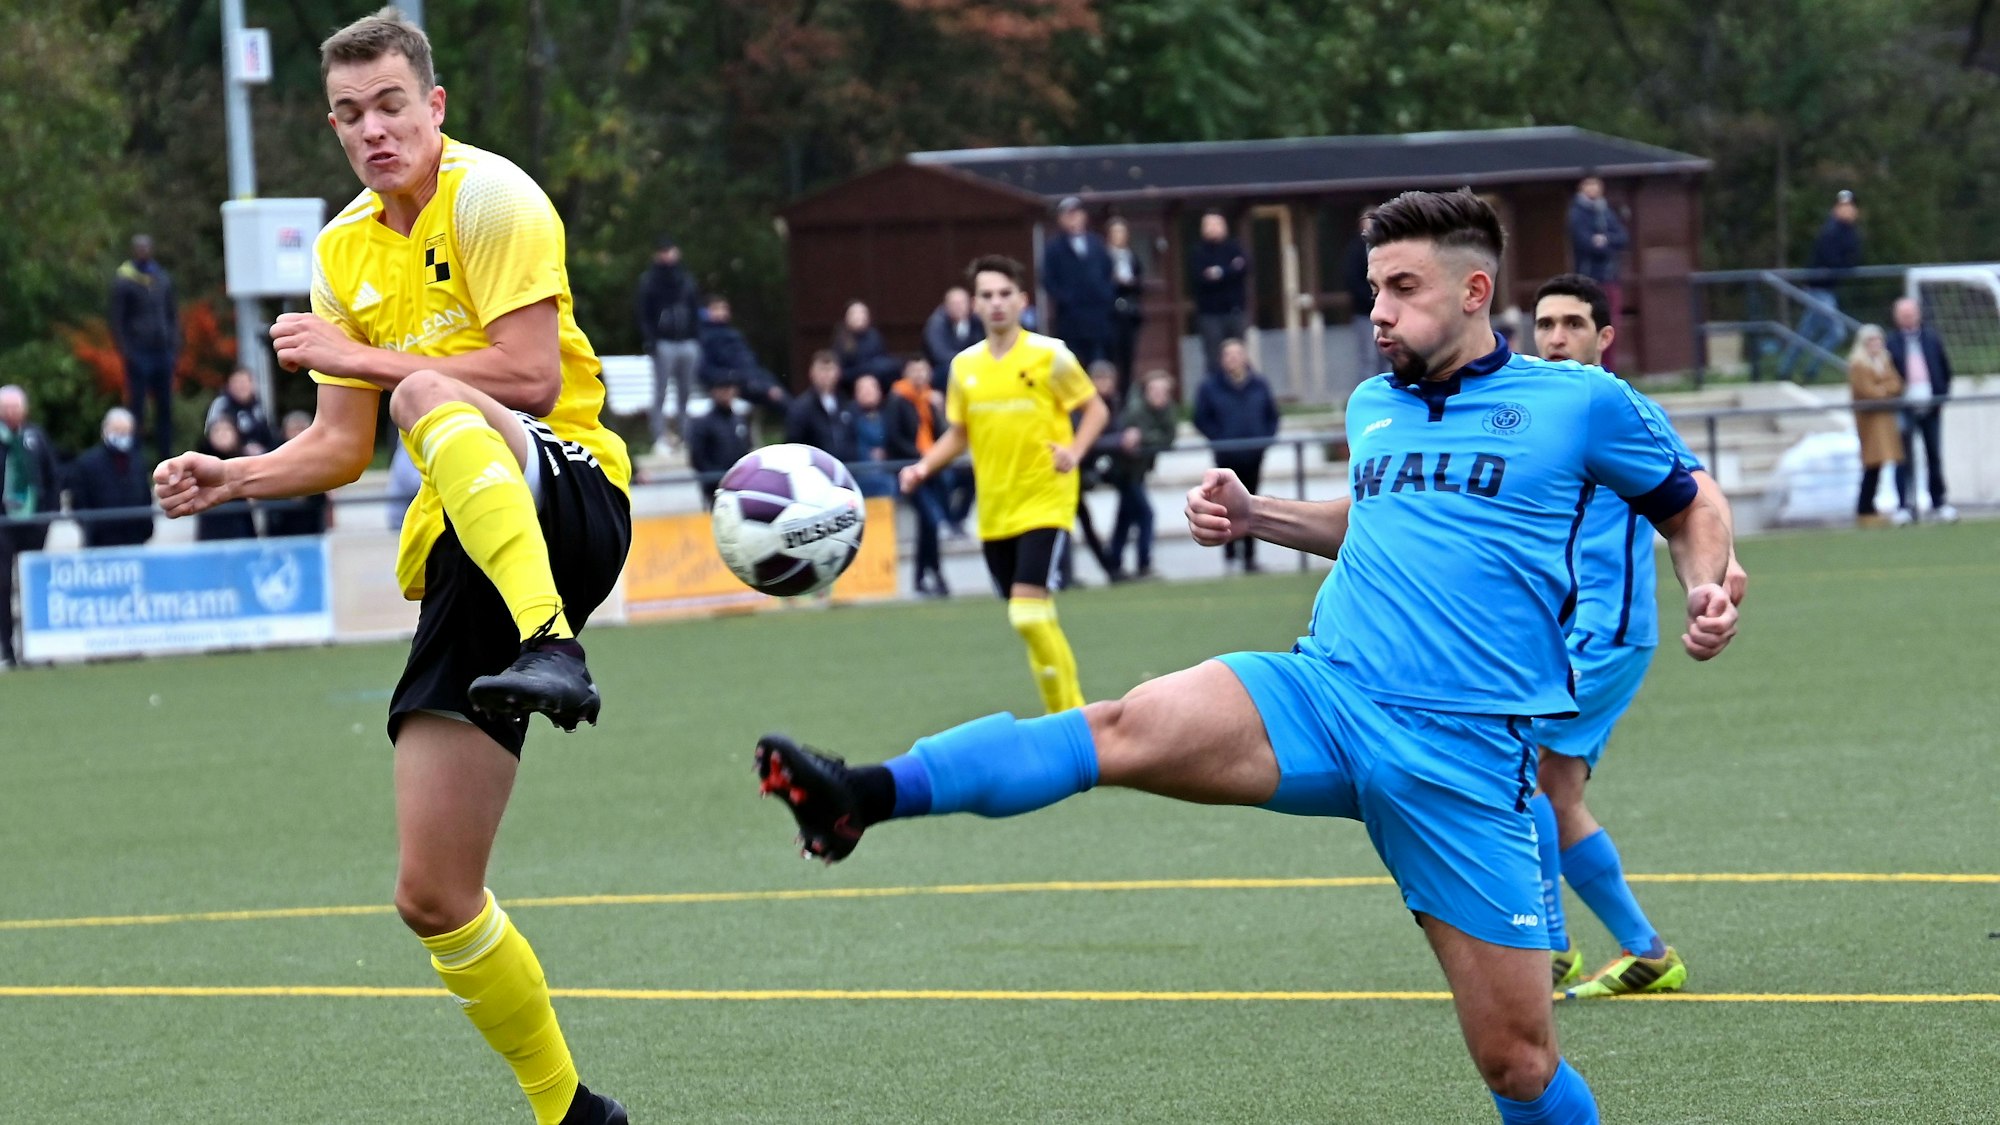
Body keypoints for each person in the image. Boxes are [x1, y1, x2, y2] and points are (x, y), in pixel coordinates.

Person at [755, 191, 1739, 1124]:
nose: (1377, 313)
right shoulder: (1372, 408)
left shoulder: (1577, 404)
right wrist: (1254, 513)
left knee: (1515, 1063)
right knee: (1124, 724)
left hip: (1463, 755)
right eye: (1371, 291)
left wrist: (1705, 579)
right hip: (1322, 692)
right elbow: (1378, 523)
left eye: (1401, 290)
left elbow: (1689, 502)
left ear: (1473, 292)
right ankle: (862, 795)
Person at [151, 13, 631, 1123]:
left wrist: (367, 358)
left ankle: (554, 645)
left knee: (428, 394)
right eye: (351, 115)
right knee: (432, 894)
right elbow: (338, 446)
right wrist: (234, 477)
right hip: (472, 547)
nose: (374, 130)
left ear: (435, 106)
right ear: (333, 126)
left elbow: (526, 379)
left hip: (571, 496)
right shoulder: (340, 251)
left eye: (391, 105)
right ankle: (573, 1112)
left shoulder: (493, 197)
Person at [1525, 273, 1745, 1001]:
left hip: (1603, 632)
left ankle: (1568, 945)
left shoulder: (1620, 409)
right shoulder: (1527, 410)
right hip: (1553, 637)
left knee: (1509, 767)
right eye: (1545, 324)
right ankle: (1621, 950)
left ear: (1604, 337)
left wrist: (1727, 562)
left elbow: (1698, 492)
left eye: (1572, 324)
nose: (1556, 338)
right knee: (1550, 787)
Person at [893, 254, 1109, 712]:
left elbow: (1095, 409)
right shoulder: (963, 367)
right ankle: (1069, 715)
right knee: (1032, 617)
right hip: (995, 508)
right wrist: (923, 467)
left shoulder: (1051, 355)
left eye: (1005, 294)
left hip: (1046, 497)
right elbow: (959, 433)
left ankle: (1072, 719)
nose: (996, 303)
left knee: (1026, 612)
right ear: (974, 304)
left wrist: (1075, 451)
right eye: (987, 295)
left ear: (1022, 300)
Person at [1193, 339, 1279, 573]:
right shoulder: (1210, 387)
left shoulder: (1259, 384)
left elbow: (1272, 415)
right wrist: (1218, 438)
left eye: (1237, 354)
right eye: (1228, 355)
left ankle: (1250, 557)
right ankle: (1230, 554)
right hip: (1226, 456)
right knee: (1225, 505)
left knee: (1251, 503)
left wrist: (1264, 439)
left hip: (1254, 454)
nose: (1233, 359)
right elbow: (1200, 417)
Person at [0, 385, 64, 666]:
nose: (12, 412)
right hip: (3, 524)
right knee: (3, 586)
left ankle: (38, 648)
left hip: (34, 522)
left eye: (16, 407)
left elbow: (53, 476)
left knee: (36, 585)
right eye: (6, 407)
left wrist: (48, 514)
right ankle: (7, 651)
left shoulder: (35, 437)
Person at [110, 233, 181, 461]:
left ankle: (166, 459)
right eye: (139, 247)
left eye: (147, 247)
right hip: (139, 352)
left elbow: (172, 313)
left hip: (163, 351)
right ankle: (136, 462)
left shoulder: (161, 278)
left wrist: (174, 343)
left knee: (165, 410)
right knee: (137, 411)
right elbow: (117, 319)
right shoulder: (124, 281)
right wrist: (127, 351)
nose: (143, 251)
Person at [1778, 191, 1862, 381]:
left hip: (1826, 289)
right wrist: (1843, 265)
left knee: (1806, 332)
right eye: (1842, 206)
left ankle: (1786, 370)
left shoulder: (1850, 232)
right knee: (1837, 332)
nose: (1846, 210)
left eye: (1849, 206)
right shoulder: (1831, 230)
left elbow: (1854, 258)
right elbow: (1832, 259)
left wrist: (1843, 265)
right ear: (1835, 209)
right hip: (1818, 289)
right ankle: (1809, 371)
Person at [1888, 296, 1956, 522]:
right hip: (1904, 409)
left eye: (1911, 314)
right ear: (1897, 318)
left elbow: (1945, 368)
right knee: (1903, 458)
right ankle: (1904, 506)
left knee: (1933, 455)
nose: (1908, 318)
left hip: (1931, 407)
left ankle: (1939, 502)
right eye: (1903, 315)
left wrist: (1941, 395)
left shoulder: (1931, 338)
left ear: (1918, 315)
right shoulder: (1891, 343)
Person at [1108, 370, 1177, 581]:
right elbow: (1128, 438)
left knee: (1125, 518)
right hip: (1125, 472)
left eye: (1163, 391)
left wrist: (1144, 438)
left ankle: (1114, 563)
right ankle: (1143, 564)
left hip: (1138, 472)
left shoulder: (1167, 411)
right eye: (1154, 390)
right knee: (1146, 515)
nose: (1159, 395)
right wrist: (1148, 439)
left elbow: (1167, 438)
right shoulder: (1136, 411)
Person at [637, 234, 702, 455]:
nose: (667, 255)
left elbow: (694, 309)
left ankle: (686, 436)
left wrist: (696, 337)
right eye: (663, 251)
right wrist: (651, 341)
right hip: (663, 343)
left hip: (687, 343)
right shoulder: (650, 281)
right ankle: (659, 437)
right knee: (661, 391)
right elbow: (644, 313)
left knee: (686, 392)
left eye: (670, 250)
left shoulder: (685, 279)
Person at [892, 356, 950, 597]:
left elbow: (945, 434)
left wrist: (941, 409)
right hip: (912, 471)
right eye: (915, 371)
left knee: (929, 526)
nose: (919, 376)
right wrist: (920, 457)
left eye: (923, 371)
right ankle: (934, 574)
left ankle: (923, 577)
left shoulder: (930, 399)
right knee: (931, 521)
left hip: (931, 469)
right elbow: (894, 437)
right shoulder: (898, 400)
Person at [1039, 197, 1116, 368]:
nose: (1074, 219)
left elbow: (1108, 270)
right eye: (1069, 215)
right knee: (1073, 363)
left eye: (1077, 214)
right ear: (1060, 219)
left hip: (1098, 317)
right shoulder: (1054, 247)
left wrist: (1104, 294)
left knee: (1099, 363)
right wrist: (1066, 298)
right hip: (1071, 319)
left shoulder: (1096, 243)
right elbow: (1047, 279)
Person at [67, 408, 155, 548]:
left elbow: (145, 497)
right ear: (105, 431)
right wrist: (91, 530)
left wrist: (146, 528)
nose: (122, 436)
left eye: (126, 432)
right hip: (100, 544)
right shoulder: (87, 464)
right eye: (117, 431)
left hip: (134, 541)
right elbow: (78, 503)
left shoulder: (138, 462)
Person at [1565, 175, 1629, 368]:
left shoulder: (1605, 211)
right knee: (1590, 326)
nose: (1593, 188)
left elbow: (1623, 238)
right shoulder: (1577, 213)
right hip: (1589, 280)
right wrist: (1604, 243)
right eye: (1589, 184)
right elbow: (1585, 244)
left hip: (1610, 278)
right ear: (1581, 187)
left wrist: (1604, 240)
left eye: (1596, 184)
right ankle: (1589, 367)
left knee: (1610, 327)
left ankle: (1608, 369)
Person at [1846, 325, 1906, 525]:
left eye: (1878, 341)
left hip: (1885, 419)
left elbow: (1896, 384)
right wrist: (1883, 391)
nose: (1876, 345)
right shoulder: (1858, 365)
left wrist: (1883, 390)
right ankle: (1865, 507)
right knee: (1872, 463)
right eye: (1872, 342)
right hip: (1870, 421)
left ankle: (1871, 506)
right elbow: (1867, 391)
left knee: (1882, 463)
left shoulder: (1884, 361)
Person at [697, 295, 787, 423]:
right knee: (783, 403)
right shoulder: (704, 338)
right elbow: (705, 370)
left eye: (724, 308)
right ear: (706, 312)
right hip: (731, 385)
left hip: (753, 381)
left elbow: (752, 364)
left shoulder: (734, 335)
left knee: (787, 402)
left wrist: (770, 384)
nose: (721, 313)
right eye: (716, 309)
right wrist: (731, 378)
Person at [1190, 209, 1249, 374]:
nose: (1213, 228)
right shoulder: (1198, 252)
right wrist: (1230, 270)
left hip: (1235, 310)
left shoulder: (1234, 247)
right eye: (1209, 224)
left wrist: (1220, 272)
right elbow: (1201, 278)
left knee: (1238, 353)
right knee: (1214, 357)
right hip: (1210, 314)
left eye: (1217, 224)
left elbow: (1244, 268)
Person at [685, 371, 753, 509]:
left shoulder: (739, 420)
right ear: (713, 391)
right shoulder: (703, 424)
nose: (727, 392)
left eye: (730, 388)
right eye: (723, 388)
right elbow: (698, 458)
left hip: (742, 486)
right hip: (716, 487)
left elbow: (747, 449)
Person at [784, 350, 859, 463]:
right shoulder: (801, 407)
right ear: (812, 373)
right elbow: (793, 443)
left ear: (838, 373)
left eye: (830, 369)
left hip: (846, 468)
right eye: (821, 370)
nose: (826, 375)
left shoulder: (845, 403)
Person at [264, 410, 330, 537]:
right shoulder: (274, 455)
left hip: (311, 517)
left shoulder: (319, 454)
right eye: (294, 429)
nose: (298, 434)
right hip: (282, 519)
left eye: (302, 429)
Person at [850, 372, 915, 499]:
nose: (868, 392)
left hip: (889, 469)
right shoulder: (848, 418)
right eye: (863, 389)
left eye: (872, 387)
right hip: (861, 471)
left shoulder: (891, 414)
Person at [192, 418, 258, 541]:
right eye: (217, 430)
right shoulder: (201, 464)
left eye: (227, 430)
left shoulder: (244, 461)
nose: (222, 434)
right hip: (212, 528)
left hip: (241, 526)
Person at [1105, 217, 1145, 399]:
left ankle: (1127, 396)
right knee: (1112, 359)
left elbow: (1140, 283)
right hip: (1111, 315)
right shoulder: (1104, 257)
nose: (1119, 236)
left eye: (1122, 232)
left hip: (1130, 312)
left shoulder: (1132, 256)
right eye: (1115, 233)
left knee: (1129, 360)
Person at [205, 367, 280, 455]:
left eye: (244, 382)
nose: (241, 387)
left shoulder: (258, 407)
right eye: (237, 383)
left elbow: (269, 433)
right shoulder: (222, 404)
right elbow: (215, 437)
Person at [832, 300, 902, 393]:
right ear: (847, 317)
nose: (859, 316)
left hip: (877, 382)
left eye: (863, 313)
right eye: (855, 313)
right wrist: (868, 369)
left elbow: (883, 359)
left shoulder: (875, 336)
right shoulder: (841, 340)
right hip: (852, 387)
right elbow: (841, 374)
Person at [1342, 214, 1378, 390]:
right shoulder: (1355, 250)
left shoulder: (1385, 248)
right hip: (1364, 313)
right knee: (1368, 359)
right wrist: (1370, 298)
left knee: (1388, 357)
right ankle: (1370, 395)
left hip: (1384, 311)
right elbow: (1352, 280)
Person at [922, 285, 979, 373]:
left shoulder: (977, 320)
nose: (958, 307)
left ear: (970, 303)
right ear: (945, 305)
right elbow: (940, 354)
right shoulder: (937, 323)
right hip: (943, 367)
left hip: (973, 363)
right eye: (954, 304)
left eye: (962, 303)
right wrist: (967, 361)